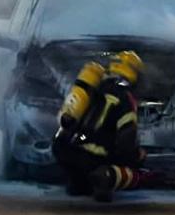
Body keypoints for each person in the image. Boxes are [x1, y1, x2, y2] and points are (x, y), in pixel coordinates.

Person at [52, 50, 150, 203]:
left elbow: (70, 121)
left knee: (78, 160)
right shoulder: (125, 97)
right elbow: (126, 140)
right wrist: (137, 157)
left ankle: (78, 183)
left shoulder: (95, 87)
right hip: (98, 156)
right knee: (135, 173)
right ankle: (104, 178)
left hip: (71, 150)